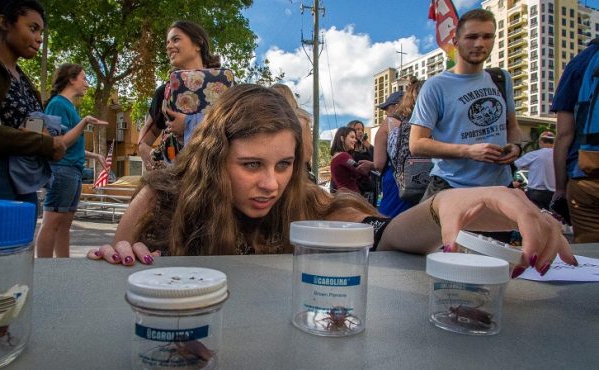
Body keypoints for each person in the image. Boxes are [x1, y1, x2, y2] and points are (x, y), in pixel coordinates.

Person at [86, 84, 574, 280]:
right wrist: (117, 258)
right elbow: (116, 279)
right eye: (251, 165)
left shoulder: (305, 199)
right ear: (215, 158)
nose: (271, 184)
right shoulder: (160, 195)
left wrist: (446, 206)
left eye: (284, 165)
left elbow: (383, 235)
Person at [0, 0, 67, 203]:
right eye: (33, 28)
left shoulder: (24, 80)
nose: (39, 39)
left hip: (22, 180)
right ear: (4, 23)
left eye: (41, 32)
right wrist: (46, 143)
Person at [410, 9, 522, 200]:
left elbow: (512, 126)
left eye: (487, 37)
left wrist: (515, 147)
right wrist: (469, 151)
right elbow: (417, 144)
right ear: (456, 42)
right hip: (453, 188)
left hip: (500, 188)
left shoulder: (501, 79)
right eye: (472, 37)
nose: (479, 43)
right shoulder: (435, 86)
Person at [36, 64, 108, 258]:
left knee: (65, 223)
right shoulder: (58, 103)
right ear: (71, 79)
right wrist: (84, 122)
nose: (87, 83)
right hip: (62, 170)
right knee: (52, 221)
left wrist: (94, 155)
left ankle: (63, 266)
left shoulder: (68, 105)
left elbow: (71, 142)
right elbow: (60, 143)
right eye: (84, 78)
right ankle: (44, 267)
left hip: (73, 170)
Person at [138, 20, 221, 170]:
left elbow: (234, 130)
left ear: (198, 44)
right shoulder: (165, 92)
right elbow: (146, 137)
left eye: (176, 39)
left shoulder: (223, 86)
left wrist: (188, 124)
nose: (169, 46)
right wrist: (144, 149)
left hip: (212, 176)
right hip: (173, 178)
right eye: (167, 42)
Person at [550, 38, 599, 243]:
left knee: (592, 259)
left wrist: (560, 189)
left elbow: (564, 135)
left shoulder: (582, 61)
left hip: (586, 175)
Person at [374, 78, 423, 217]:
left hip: (398, 184)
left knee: (389, 225)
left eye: (387, 108)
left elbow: (378, 164)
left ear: (397, 105)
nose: (386, 113)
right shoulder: (430, 120)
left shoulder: (389, 123)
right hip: (429, 182)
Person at [270, 83, 313, 170]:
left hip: (295, 172)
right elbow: (307, 154)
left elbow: (306, 154)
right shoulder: (301, 120)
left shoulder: (300, 121)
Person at [514, 131, 555, 210]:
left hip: (536, 192)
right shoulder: (561, 156)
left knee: (536, 217)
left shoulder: (534, 154)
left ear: (540, 142)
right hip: (554, 194)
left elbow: (517, 164)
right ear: (554, 142)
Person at [330, 127, 372, 195]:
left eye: (355, 138)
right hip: (352, 195)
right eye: (352, 137)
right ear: (342, 138)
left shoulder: (335, 156)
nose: (355, 140)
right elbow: (360, 172)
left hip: (343, 195)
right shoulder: (344, 156)